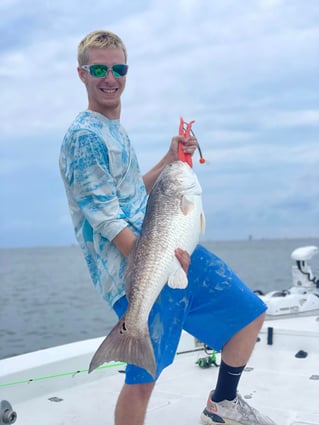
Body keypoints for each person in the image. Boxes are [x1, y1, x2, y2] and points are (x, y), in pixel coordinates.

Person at [59, 30, 277, 425]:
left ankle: (222, 402)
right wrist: (158, 263)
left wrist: (170, 157)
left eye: (118, 68)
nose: (110, 77)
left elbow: (130, 196)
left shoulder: (114, 130)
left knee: (249, 314)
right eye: (99, 69)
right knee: (144, 379)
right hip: (136, 268)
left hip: (166, 249)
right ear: (82, 74)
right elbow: (105, 216)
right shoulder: (84, 137)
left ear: (127, 71)